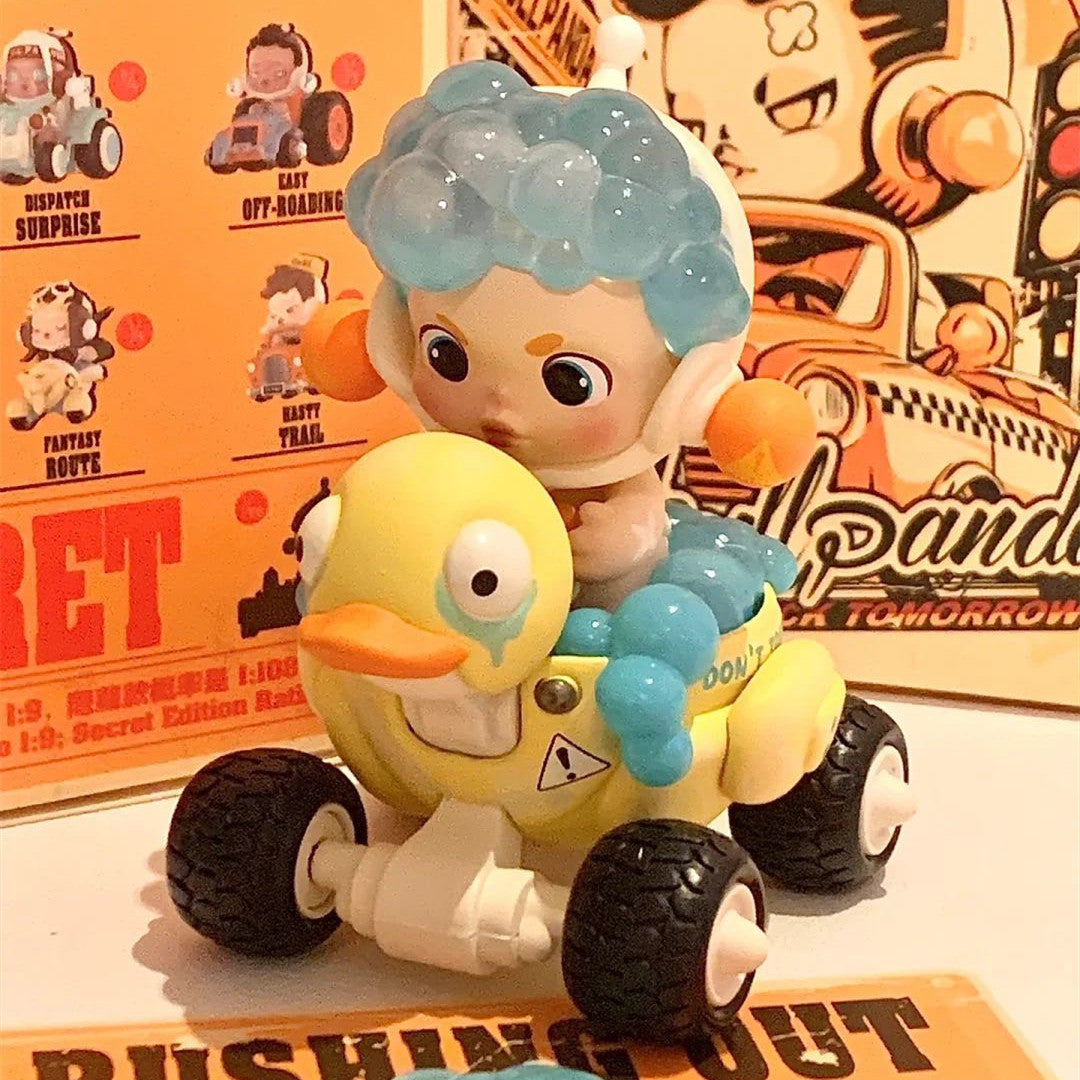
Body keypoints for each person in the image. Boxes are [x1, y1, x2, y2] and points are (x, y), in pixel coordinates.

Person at [302, 18, 815, 608]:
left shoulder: (618, 486)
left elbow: (639, 519)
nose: (498, 407)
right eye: (445, 355)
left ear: (686, 389)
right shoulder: (446, 465)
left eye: (570, 380)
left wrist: (623, 538)